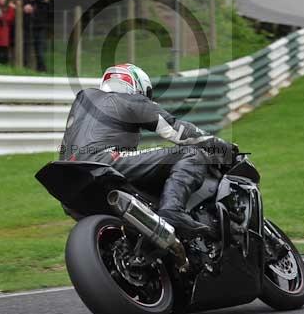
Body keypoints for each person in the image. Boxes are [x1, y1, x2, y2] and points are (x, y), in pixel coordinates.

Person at [58, 63, 237, 237]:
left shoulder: (82, 101)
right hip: (104, 160)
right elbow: (179, 131)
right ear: (136, 86)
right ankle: (172, 211)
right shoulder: (129, 99)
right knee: (192, 153)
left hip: (69, 179)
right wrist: (223, 149)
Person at [22, 0, 51, 72]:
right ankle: (25, 67)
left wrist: (45, 0)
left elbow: (47, 10)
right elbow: (25, 5)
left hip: (40, 26)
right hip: (28, 25)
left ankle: (42, 69)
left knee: (40, 48)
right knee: (26, 47)